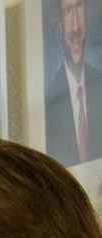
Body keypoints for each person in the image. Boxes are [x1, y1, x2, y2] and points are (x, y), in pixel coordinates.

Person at [46, 0, 102, 166]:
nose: (76, 27)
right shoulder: (48, 105)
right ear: (60, 24)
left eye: (79, 7)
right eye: (68, 11)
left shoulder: (100, 84)